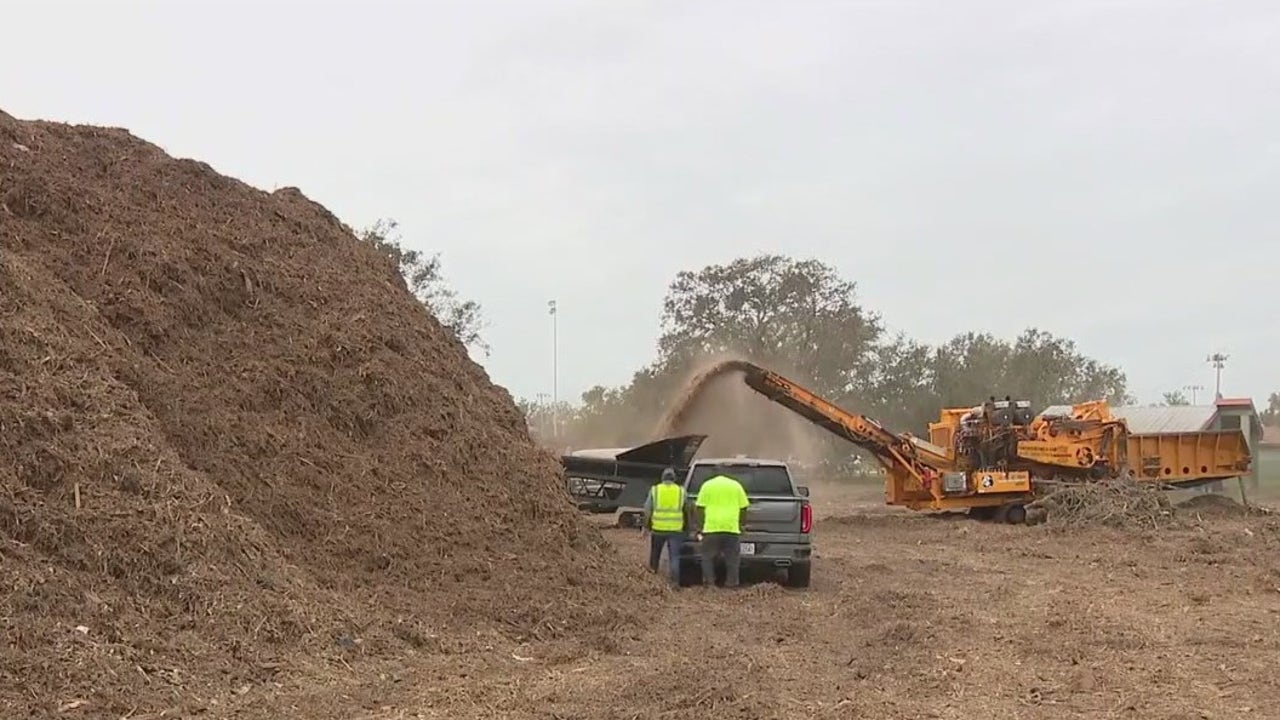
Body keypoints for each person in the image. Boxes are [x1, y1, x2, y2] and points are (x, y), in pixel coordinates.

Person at [692, 472, 750, 588]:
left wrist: (700, 527)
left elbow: (699, 508)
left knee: (707, 557)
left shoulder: (707, 485)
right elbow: (743, 507)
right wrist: (741, 524)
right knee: (732, 559)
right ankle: (731, 584)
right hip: (731, 528)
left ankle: (710, 583)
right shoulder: (736, 485)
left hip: (711, 527)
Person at [641, 467, 687, 584]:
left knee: (655, 554)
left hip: (658, 529)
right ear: (674, 479)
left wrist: (646, 527)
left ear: (662, 478)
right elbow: (687, 509)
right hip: (676, 529)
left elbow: (647, 509)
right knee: (675, 557)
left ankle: (652, 578)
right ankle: (675, 582)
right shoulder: (681, 491)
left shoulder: (655, 490)